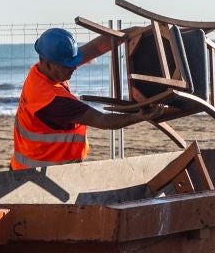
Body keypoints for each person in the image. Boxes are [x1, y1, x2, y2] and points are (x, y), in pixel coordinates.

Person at [10, 27, 165, 170]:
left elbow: (97, 47)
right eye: (67, 65)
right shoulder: (53, 101)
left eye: (74, 62)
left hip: (43, 166)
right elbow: (104, 121)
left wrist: (134, 32)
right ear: (47, 63)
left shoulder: (41, 71)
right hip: (38, 174)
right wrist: (140, 116)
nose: (73, 68)